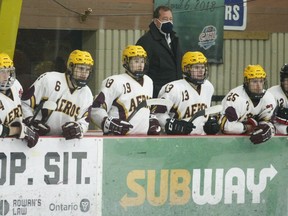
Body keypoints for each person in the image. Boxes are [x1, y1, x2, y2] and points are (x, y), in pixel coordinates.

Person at [21, 50, 94, 140]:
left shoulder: (87, 93)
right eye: (81, 68)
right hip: (38, 139)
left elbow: (85, 120)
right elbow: (24, 103)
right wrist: (30, 121)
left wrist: (79, 128)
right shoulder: (49, 79)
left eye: (87, 70)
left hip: (65, 143)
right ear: (70, 67)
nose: (84, 74)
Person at [90, 45, 161, 135]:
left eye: (142, 61)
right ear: (126, 62)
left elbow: (146, 110)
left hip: (143, 141)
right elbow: (95, 108)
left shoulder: (148, 81)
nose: (140, 65)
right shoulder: (115, 82)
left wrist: (151, 119)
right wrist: (108, 123)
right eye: (136, 61)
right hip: (118, 141)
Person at [154, 51, 219, 135]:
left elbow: (206, 113)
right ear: (185, 69)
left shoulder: (208, 86)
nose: (200, 71)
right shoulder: (173, 88)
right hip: (177, 140)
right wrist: (171, 124)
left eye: (202, 67)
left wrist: (210, 121)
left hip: (202, 140)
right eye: (196, 67)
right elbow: (158, 114)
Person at [220, 64, 276, 144]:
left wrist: (268, 129)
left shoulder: (268, 98)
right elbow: (226, 127)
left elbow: (267, 122)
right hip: (225, 141)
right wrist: (249, 127)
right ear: (247, 82)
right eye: (254, 81)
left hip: (250, 144)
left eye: (261, 81)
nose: (259, 86)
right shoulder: (237, 98)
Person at [136, 5, 183, 98]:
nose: (169, 22)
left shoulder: (174, 39)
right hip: (157, 95)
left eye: (170, 19)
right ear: (155, 21)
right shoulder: (146, 41)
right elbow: (141, 71)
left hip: (176, 94)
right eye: (165, 19)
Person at [0, 52, 38, 147]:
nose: (6, 76)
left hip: (14, 148)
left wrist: (28, 121)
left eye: (8, 71)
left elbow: (20, 108)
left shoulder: (16, 85)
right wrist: (19, 130)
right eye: (2, 72)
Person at [267, 63, 288, 134]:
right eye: (287, 79)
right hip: (274, 135)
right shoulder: (271, 93)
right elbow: (265, 120)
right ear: (282, 80)